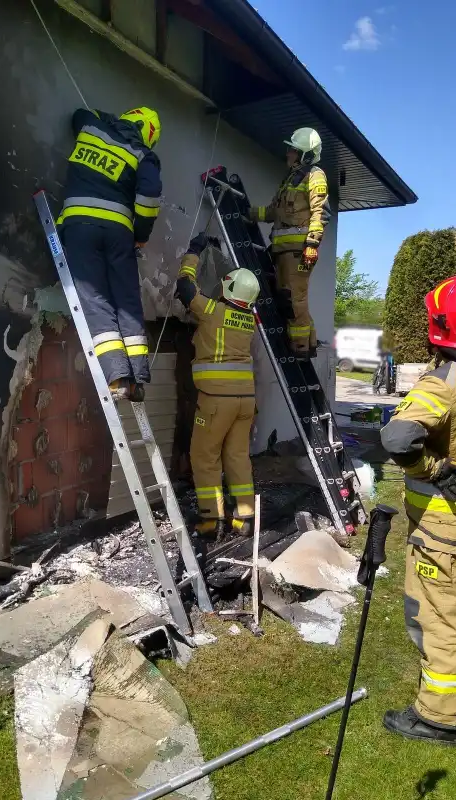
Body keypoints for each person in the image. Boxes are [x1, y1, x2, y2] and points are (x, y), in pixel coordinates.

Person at [380, 274, 456, 745]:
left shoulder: (445, 382)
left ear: (440, 325)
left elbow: (397, 437)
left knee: (440, 615)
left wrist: (435, 469)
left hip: (445, 530)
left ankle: (442, 716)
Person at [58, 106, 162, 401]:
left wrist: (109, 120)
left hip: (80, 227)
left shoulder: (90, 127)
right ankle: (137, 378)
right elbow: (149, 198)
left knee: (94, 299)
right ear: (149, 135)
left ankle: (117, 377)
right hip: (119, 233)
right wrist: (141, 235)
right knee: (127, 301)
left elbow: (79, 112)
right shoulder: (143, 155)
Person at [176, 234, 261, 540]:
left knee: (204, 456)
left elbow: (184, 286)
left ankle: (211, 520)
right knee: (237, 456)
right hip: (245, 401)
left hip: (215, 401)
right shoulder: (250, 319)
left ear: (228, 289)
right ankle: (244, 517)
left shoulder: (212, 310)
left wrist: (194, 251)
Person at [248, 127, 330, 358]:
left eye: (293, 150)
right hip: (283, 251)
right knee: (289, 299)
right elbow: (273, 212)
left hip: (299, 251)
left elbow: (321, 212)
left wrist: (312, 245)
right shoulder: (290, 180)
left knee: (294, 301)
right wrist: (249, 213)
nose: (288, 153)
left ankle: (300, 349)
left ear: (305, 154)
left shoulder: (315, 176)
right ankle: (307, 343)